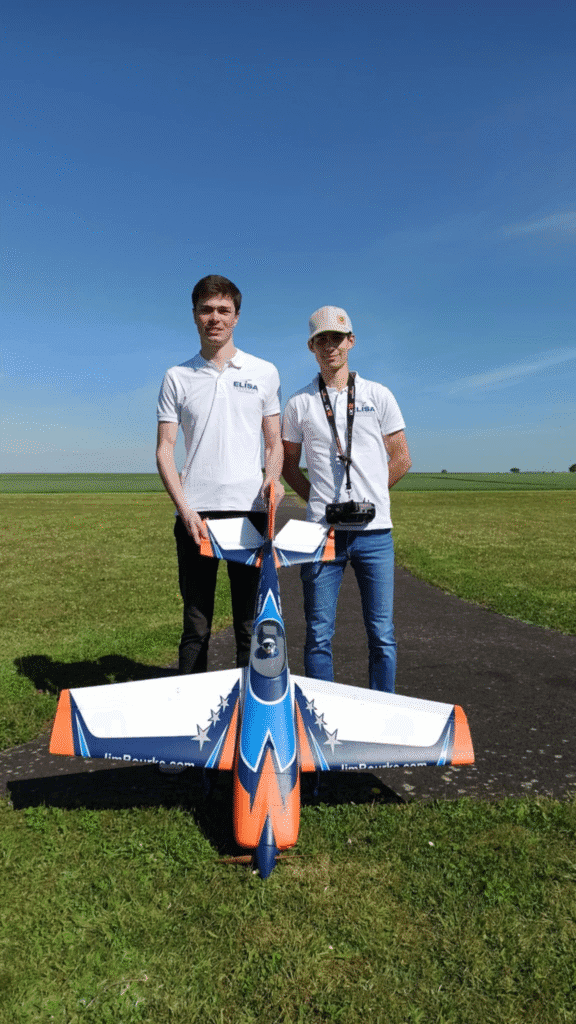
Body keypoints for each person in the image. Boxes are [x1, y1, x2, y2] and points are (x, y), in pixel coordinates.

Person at [156, 274, 284, 675]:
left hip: (250, 512)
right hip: (197, 518)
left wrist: (274, 478)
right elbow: (164, 450)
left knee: (250, 625)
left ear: (237, 316)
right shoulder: (177, 376)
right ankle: (195, 722)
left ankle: (251, 714)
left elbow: (274, 443)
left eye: (223, 310)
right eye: (206, 310)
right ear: (195, 316)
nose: (215, 318)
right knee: (196, 626)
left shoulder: (264, 372)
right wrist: (185, 510)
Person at [282, 305, 411, 692]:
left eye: (336, 339)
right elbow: (289, 466)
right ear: (312, 347)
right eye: (321, 340)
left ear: (350, 341)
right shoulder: (300, 403)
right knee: (319, 634)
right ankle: (323, 721)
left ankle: (381, 711)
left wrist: (369, 495)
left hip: (375, 533)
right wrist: (319, 502)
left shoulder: (378, 394)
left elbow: (402, 458)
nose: (329, 347)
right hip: (323, 536)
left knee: (382, 634)